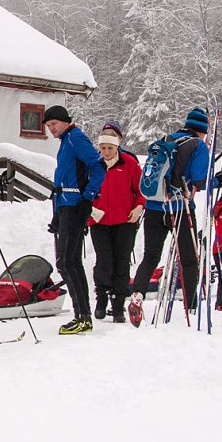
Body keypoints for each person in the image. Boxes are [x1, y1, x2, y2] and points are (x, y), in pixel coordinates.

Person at [127, 107, 213, 321]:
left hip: (154, 208)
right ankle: (192, 304)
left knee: (150, 256)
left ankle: (137, 295)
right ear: (202, 130)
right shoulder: (198, 146)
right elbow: (200, 181)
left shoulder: (167, 140)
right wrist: (218, 179)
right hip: (180, 208)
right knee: (189, 259)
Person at [43, 104, 106, 335]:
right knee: (66, 262)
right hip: (65, 206)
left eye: (54, 125)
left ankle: (83, 316)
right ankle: (82, 315)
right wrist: (57, 213)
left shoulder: (75, 138)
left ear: (64, 121)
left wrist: (87, 198)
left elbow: (98, 167)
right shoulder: (65, 142)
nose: (51, 130)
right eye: (48, 127)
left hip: (75, 206)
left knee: (69, 261)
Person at [88, 122, 144, 324]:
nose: (106, 152)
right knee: (104, 260)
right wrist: (90, 209)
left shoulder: (129, 164)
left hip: (125, 220)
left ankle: (119, 303)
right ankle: (101, 297)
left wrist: (139, 207)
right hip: (99, 220)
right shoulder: (93, 164)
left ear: (117, 146)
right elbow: (84, 191)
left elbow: (141, 191)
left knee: (122, 261)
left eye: (110, 148)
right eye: (102, 148)